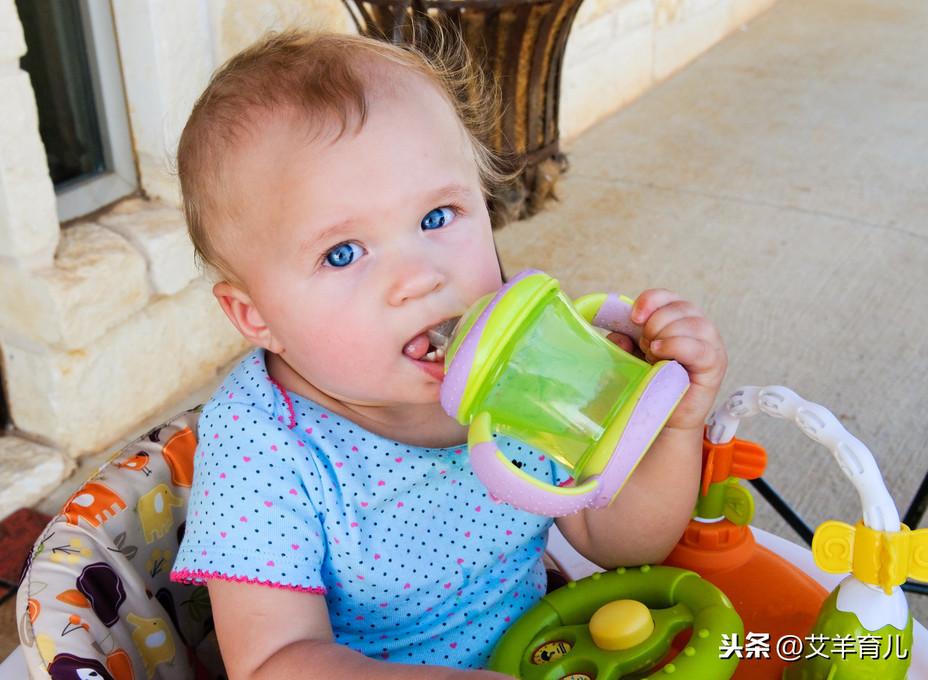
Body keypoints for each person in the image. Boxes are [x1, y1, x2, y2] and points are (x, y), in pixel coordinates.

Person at [170, 29, 727, 679]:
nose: (421, 277)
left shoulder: (521, 368)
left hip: (545, 652)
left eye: (438, 217)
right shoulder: (262, 444)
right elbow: (274, 661)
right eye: (343, 253)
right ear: (256, 317)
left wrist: (674, 427)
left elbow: (619, 543)